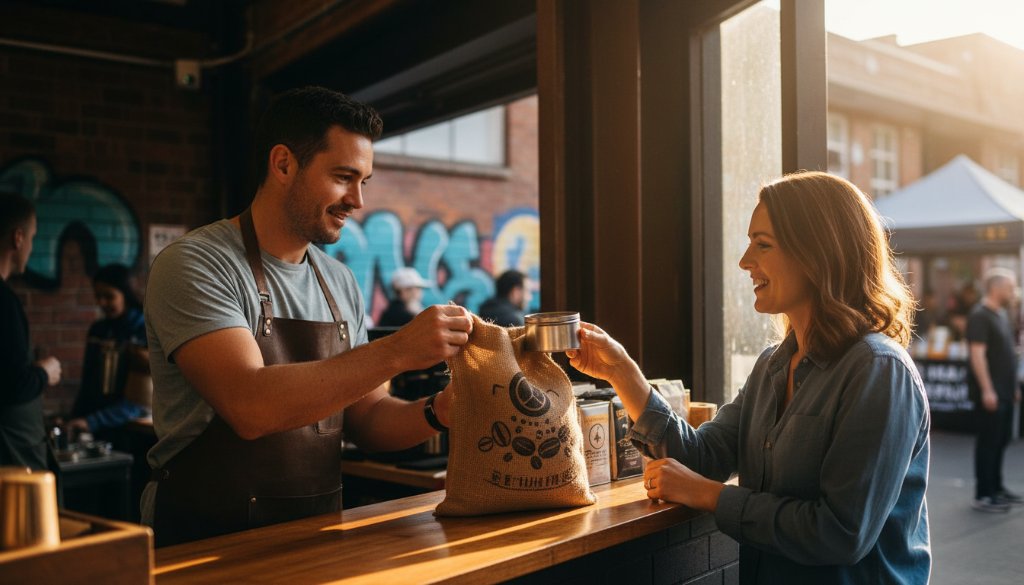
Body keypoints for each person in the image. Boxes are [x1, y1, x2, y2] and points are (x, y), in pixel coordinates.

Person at [142, 86, 473, 546]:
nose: (357, 200)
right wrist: (397, 350)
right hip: (204, 541)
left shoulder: (338, 282)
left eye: (364, 181)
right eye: (343, 176)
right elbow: (249, 405)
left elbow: (370, 418)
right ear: (283, 165)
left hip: (314, 539)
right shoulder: (196, 263)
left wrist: (441, 411)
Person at [567, 172, 931, 584]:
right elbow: (701, 459)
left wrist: (710, 496)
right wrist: (621, 372)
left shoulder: (878, 370)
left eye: (763, 244)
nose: (744, 261)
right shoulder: (772, 365)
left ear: (818, 254)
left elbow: (840, 534)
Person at [0, 193, 62, 470]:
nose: (31, 248)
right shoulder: (4, 302)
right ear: (18, 238)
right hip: (11, 463)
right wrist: (44, 371)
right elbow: (11, 385)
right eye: (33, 237)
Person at [67, 264, 150, 441]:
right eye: (98, 296)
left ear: (125, 294)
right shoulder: (98, 331)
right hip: (97, 425)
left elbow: (140, 401)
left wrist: (93, 421)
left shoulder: (144, 331)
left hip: (132, 427)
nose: (101, 303)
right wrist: (74, 419)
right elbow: (88, 382)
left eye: (109, 296)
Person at [966, 267, 1023, 512]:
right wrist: (988, 390)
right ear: (995, 288)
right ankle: (984, 495)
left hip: (1004, 391)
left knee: (1000, 441)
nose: (1013, 291)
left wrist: (1011, 388)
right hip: (991, 393)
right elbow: (977, 356)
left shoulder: (1001, 314)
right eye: (1010, 287)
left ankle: (997, 488)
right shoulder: (980, 315)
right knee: (988, 443)